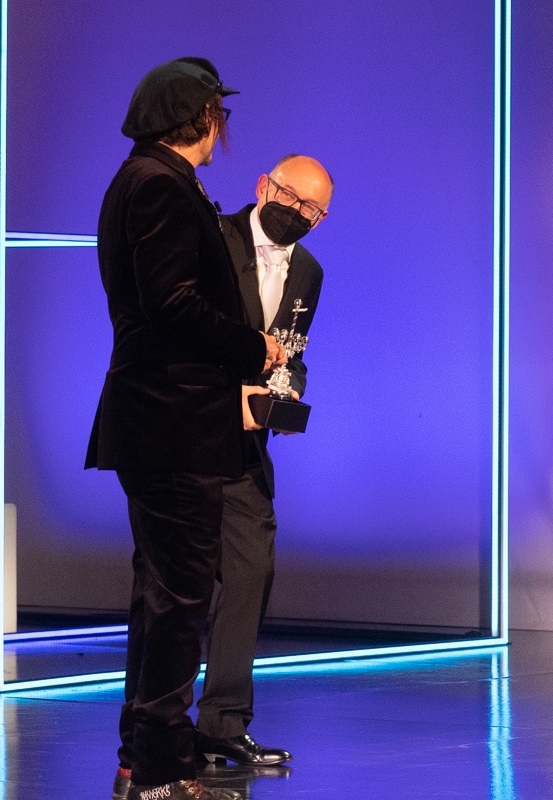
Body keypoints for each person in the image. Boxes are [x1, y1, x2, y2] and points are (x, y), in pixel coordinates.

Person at [86, 57, 286, 800]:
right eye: (217, 114)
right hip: (170, 420)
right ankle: (159, 771)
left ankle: (142, 759)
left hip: (164, 420)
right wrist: (251, 346)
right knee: (177, 602)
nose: (221, 127)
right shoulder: (158, 185)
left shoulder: (152, 180)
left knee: (164, 597)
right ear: (201, 116)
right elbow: (171, 303)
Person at [195, 155, 332, 767]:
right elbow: (181, 332)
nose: (298, 213)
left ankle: (222, 722)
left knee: (251, 573)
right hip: (187, 433)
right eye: (291, 197)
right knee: (174, 585)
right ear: (262, 186)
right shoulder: (211, 238)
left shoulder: (308, 271)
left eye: (313, 210)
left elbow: (292, 351)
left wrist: (287, 388)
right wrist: (232, 393)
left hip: (247, 449)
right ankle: (155, 733)